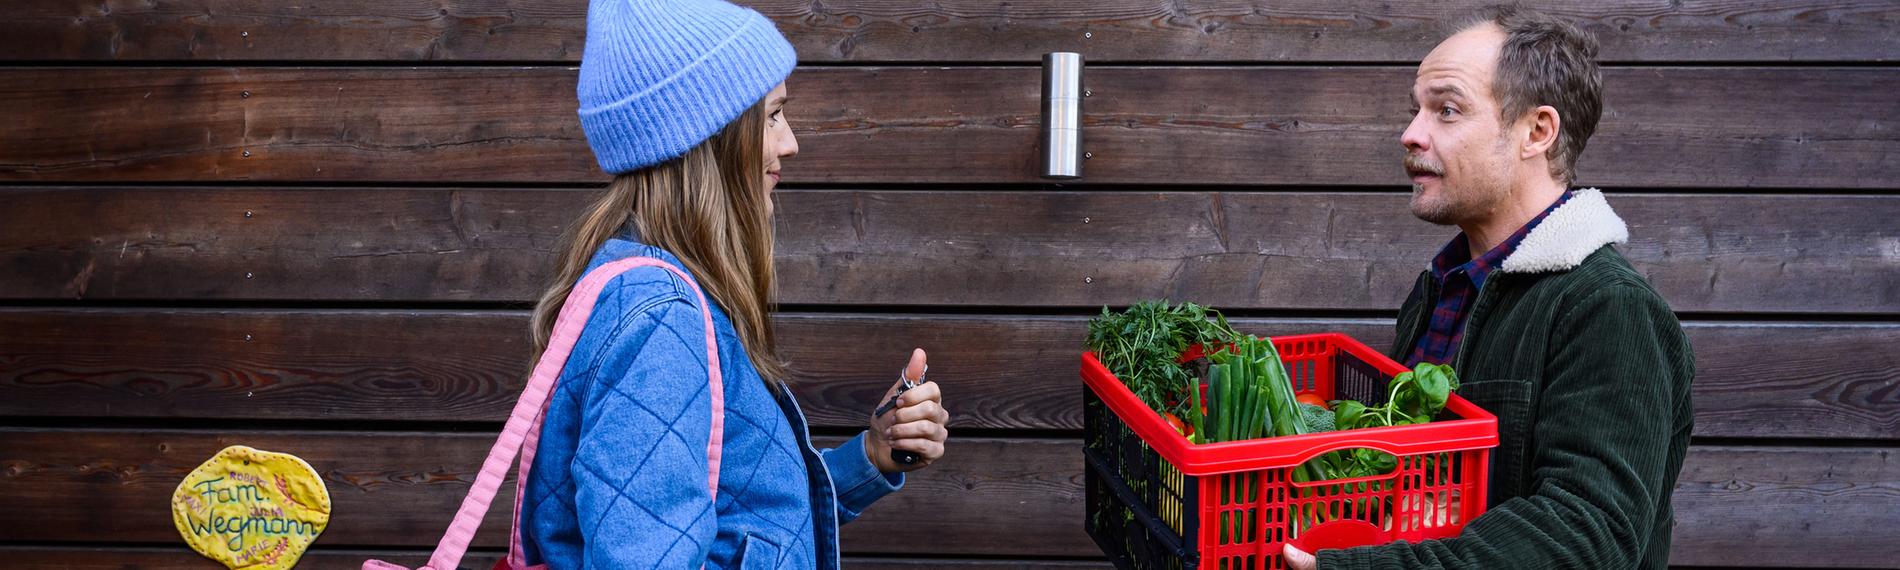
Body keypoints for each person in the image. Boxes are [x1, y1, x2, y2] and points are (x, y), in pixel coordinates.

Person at [516, 1, 950, 567]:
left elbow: (744, 522)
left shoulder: (645, 289)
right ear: (712, 138)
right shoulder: (660, 318)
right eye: (773, 116)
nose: (790, 143)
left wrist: (871, 455)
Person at [1285, 6, 1695, 569]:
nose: (1411, 134)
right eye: (1415, 111)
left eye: (1447, 110)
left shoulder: (1608, 308)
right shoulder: (1442, 288)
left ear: (1536, 132)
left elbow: (1587, 534)